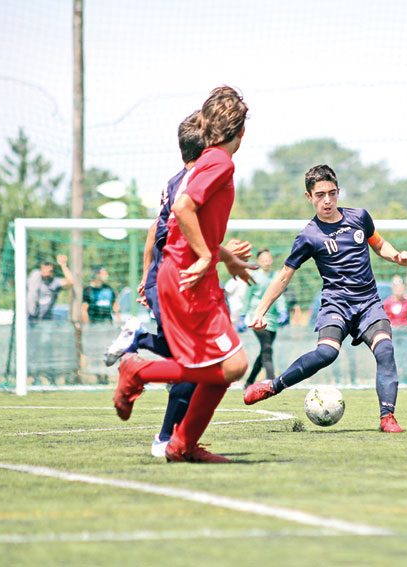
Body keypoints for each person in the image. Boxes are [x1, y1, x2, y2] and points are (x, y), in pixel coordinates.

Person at [110, 85, 257, 463]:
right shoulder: (221, 162)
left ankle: (181, 445)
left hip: (186, 276)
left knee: (223, 368)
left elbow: (184, 226)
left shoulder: (206, 160)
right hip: (189, 280)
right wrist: (208, 256)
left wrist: (223, 256)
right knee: (234, 365)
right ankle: (138, 370)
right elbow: (184, 207)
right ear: (241, 131)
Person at [243, 164, 407, 433]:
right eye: (320, 194)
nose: (327, 200)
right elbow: (284, 276)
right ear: (309, 197)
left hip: (368, 303)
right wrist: (260, 311)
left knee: (385, 350)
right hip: (336, 305)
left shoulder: (360, 217)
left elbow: (379, 244)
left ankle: (387, 417)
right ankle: (273, 386)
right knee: (327, 353)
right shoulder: (308, 236)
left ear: (338, 192)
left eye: (332, 193)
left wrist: (396, 256)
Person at [242, 248, 289, 387]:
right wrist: (243, 315)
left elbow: (280, 296)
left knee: (264, 350)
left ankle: (249, 381)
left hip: (272, 320)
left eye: (268, 258)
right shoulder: (254, 276)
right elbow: (246, 297)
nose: (266, 261)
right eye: (263, 259)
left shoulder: (276, 276)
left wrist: (283, 311)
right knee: (267, 348)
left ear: (271, 260)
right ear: (258, 261)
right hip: (257, 317)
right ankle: (271, 381)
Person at [383, 275, 407, 381]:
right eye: (397, 287)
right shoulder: (388, 302)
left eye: (401, 287)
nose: (399, 290)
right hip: (393, 332)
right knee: (394, 354)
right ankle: (394, 376)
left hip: (406, 332)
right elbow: (384, 316)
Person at [27, 255, 74, 321]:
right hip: (30, 319)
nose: (47, 273)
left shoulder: (55, 283)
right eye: (44, 270)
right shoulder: (33, 281)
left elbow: (71, 282)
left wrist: (63, 265)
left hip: (46, 321)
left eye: (49, 271)